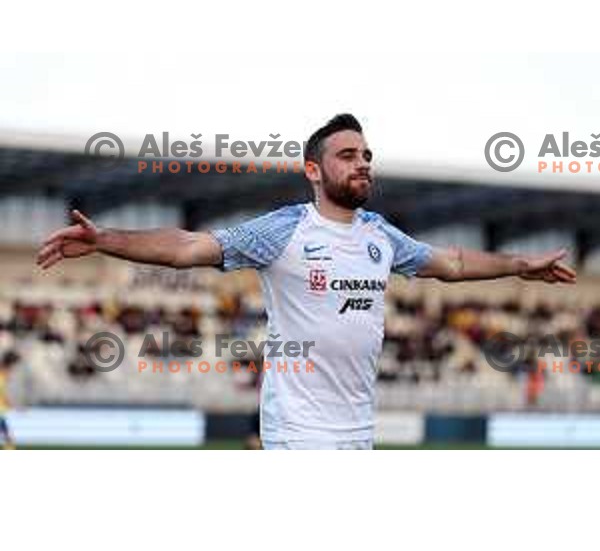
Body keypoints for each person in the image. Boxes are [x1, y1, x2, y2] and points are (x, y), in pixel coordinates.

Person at [36, 114, 576, 450]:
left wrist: (519, 265)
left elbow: (452, 264)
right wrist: (106, 237)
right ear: (313, 170)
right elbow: (187, 248)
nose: (362, 163)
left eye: (366, 155)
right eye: (347, 156)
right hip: (300, 431)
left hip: (359, 428)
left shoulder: (380, 235)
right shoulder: (284, 230)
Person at [0, 351, 20, 450]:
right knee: (8, 440)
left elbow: (3, 395)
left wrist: (10, 405)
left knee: (8, 440)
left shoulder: (4, 376)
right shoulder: (2, 376)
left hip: (2, 412)